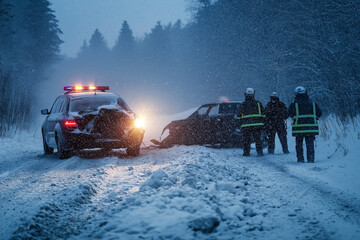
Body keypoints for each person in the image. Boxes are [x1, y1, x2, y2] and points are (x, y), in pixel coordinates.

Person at [288, 86, 322, 163]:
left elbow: (289, 113)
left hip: (299, 128)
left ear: (296, 94)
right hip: (311, 127)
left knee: (299, 144)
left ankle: (300, 159)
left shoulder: (294, 104)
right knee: (310, 144)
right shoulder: (313, 103)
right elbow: (319, 113)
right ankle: (311, 159)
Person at [237, 88, 265, 156]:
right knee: (258, 140)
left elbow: (239, 116)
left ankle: (246, 153)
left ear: (245, 94)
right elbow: (264, 114)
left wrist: (240, 123)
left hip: (246, 126)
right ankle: (259, 152)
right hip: (257, 125)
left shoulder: (243, 104)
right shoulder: (258, 103)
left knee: (246, 140)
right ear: (253, 94)